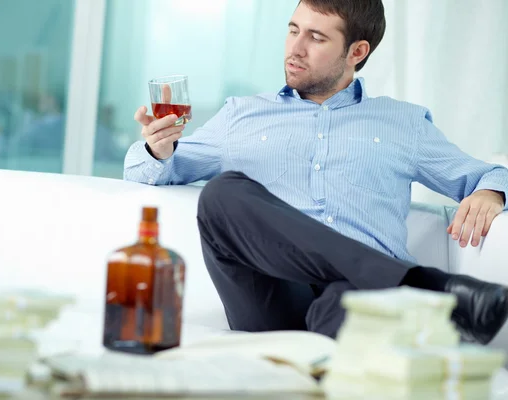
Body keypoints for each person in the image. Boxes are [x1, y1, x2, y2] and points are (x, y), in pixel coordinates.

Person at [123, 0, 508, 344]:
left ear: (357, 51)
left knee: (344, 320)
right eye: (293, 30)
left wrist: (490, 192)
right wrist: (157, 148)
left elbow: (490, 174)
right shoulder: (241, 114)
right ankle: (424, 284)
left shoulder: (403, 123)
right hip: (267, 292)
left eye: (316, 37)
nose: (295, 48)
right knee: (222, 194)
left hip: (356, 299)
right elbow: (146, 172)